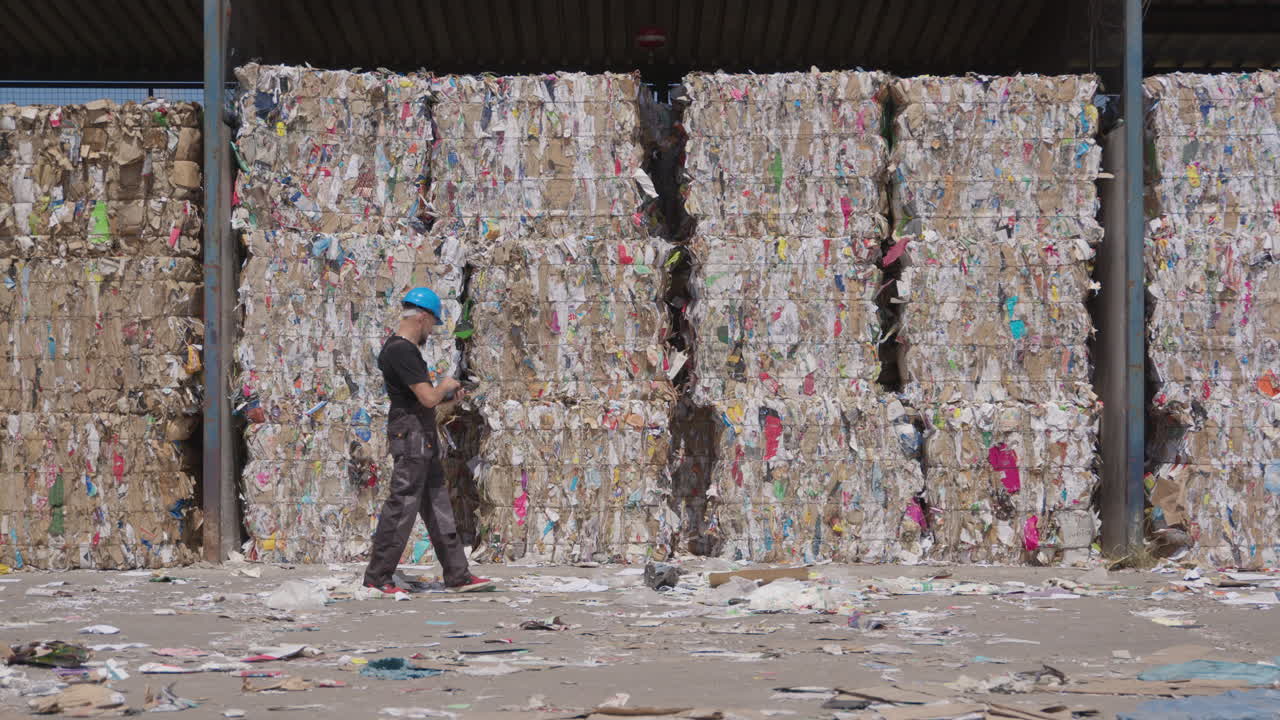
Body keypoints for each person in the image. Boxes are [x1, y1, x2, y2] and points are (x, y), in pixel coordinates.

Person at [363, 287, 494, 594]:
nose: (432, 331)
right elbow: (426, 397)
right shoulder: (401, 351)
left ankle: (458, 576)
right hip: (411, 439)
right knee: (402, 506)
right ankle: (377, 576)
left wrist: (450, 398)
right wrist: (444, 385)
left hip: (420, 435)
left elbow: (428, 404)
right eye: (433, 324)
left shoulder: (404, 352)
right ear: (421, 317)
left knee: (438, 506)